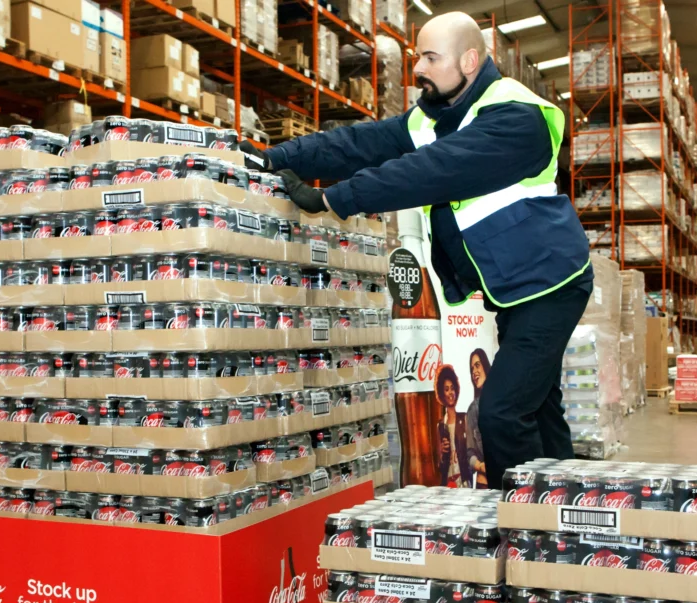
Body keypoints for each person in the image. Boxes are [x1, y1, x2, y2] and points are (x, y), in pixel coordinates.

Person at [239, 11, 593, 489]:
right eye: (416, 57)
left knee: (503, 414)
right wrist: (273, 157)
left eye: (430, 57)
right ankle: (566, 514)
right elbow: (358, 143)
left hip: (550, 285)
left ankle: (528, 531)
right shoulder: (434, 115)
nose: (418, 69)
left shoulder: (516, 117)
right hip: (512, 288)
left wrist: (333, 198)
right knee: (539, 408)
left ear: (469, 60)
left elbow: (431, 170)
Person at [435, 365, 469, 487]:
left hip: (463, 482)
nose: (450, 392)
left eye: (452, 388)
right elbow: (438, 464)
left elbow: (470, 453)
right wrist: (441, 452)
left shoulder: (464, 419)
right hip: (447, 483)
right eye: (446, 389)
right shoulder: (440, 426)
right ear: (441, 393)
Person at [466, 348, 490, 488]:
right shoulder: (472, 410)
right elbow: (469, 454)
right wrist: (480, 466)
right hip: (484, 484)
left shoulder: (502, 403)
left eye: (477, 365)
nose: (474, 371)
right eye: (471, 369)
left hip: (506, 481)